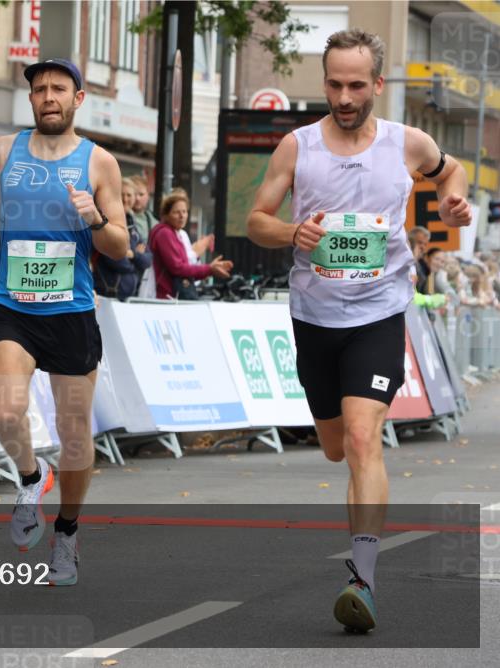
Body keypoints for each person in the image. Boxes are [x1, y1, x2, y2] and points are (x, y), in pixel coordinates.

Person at [246, 29, 472, 632]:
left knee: (365, 438)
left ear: (376, 84)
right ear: (325, 83)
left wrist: (454, 203)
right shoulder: (297, 147)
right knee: (336, 445)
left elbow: (454, 174)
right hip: (315, 318)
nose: (344, 96)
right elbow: (255, 220)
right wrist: (292, 232)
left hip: (379, 312)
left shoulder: (407, 143)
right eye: (334, 84)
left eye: (355, 85)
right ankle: (361, 549)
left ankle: (363, 580)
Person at [0, 58, 130, 586]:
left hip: (71, 313)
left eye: (59, 89)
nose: (48, 96)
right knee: (5, 409)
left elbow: (120, 244)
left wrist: (94, 217)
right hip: (14, 307)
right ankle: (31, 475)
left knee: (75, 434)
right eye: (40, 89)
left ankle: (67, 532)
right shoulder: (6, 150)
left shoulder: (100, 163)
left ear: (78, 98)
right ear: (32, 99)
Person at [149, 189, 232, 299]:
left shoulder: (176, 233)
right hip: (166, 297)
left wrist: (209, 270)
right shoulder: (165, 234)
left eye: (184, 211)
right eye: (176, 212)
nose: (182, 216)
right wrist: (209, 269)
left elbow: (185, 270)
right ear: (166, 215)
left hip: (172, 296)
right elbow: (178, 268)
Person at [94, 178, 151, 301]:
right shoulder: (106, 220)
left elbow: (148, 260)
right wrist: (136, 264)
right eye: (122, 195)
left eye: (129, 195)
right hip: (108, 296)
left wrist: (133, 255)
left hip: (127, 297)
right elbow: (116, 259)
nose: (125, 199)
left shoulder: (132, 223)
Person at [128, 175, 155, 244]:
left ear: (148, 196)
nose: (137, 198)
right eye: (134, 194)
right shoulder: (121, 218)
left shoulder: (154, 222)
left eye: (141, 194)